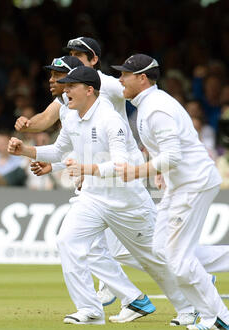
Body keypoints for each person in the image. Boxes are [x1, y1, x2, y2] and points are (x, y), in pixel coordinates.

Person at [7, 66, 198, 325]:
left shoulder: (110, 119)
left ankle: (190, 308)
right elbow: (59, 150)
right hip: (93, 198)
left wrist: (89, 168)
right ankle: (90, 310)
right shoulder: (71, 114)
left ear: (89, 90)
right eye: (65, 86)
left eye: (71, 86)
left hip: (126, 200)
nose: (65, 90)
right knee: (67, 241)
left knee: (154, 258)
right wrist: (26, 151)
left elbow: (121, 167)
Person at [112, 54, 229, 330]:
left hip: (194, 183)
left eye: (125, 75)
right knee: (162, 252)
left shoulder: (156, 108)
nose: (121, 79)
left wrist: (138, 172)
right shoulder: (149, 104)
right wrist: (158, 171)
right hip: (182, 183)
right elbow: (168, 149)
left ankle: (218, 317)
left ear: (142, 78)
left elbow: (174, 155)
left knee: (178, 260)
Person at [14, 37, 149, 308]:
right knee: (96, 246)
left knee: (130, 250)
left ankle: (187, 274)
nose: (55, 81)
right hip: (97, 181)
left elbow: (144, 103)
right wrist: (28, 137)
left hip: (121, 176)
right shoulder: (70, 104)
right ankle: (129, 298)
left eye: (78, 56)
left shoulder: (107, 86)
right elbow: (68, 141)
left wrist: (152, 153)